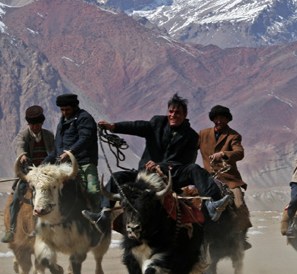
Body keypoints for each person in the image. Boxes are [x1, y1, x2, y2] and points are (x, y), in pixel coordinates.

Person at [86, 93, 232, 226]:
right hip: (145, 174)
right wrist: (113, 127)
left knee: (195, 170)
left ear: (185, 114)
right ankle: (103, 214)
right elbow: (137, 126)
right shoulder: (157, 123)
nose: (173, 115)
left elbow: (186, 161)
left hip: (172, 176)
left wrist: (160, 166)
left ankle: (212, 204)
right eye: (171, 112)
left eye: (177, 112)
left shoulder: (191, 136)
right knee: (117, 176)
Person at [198, 105, 252, 248]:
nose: (219, 120)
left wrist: (224, 154)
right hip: (206, 178)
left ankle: (241, 237)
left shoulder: (233, 136)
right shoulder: (202, 134)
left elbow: (239, 153)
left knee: (239, 204)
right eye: (217, 118)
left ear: (227, 119)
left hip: (229, 179)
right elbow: (188, 146)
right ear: (213, 119)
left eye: (222, 118)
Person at [1, 105, 54, 243]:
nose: (35, 127)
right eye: (32, 124)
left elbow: (54, 152)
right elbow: (20, 146)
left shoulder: (49, 135)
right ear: (29, 124)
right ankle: (12, 230)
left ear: (42, 123)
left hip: (46, 176)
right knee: (15, 200)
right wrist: (23, 156)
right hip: (28, 174)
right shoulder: (23, 135)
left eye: (37, 124)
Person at [43, 94, 102, 214]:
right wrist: (43, 164)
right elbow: (57, 149)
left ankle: (97, 218)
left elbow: (86, 138)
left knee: (93, 191)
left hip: (84, 162)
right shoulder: (62, 123)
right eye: (62, 110)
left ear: (75, 107)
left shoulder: (85, 118)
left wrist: (70, 152)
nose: (65, 112)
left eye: (67, 109)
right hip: (65, 166)